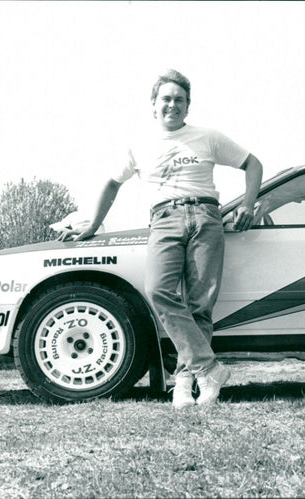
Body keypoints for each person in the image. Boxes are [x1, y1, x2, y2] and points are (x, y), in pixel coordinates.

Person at [60, 69, 263, 408]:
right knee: (158, 290)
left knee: (200, 303)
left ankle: (185, 383)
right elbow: (112, 184)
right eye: (166, 99)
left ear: (188, 106)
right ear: (153, 105)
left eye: (179, 100)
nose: (173, 105)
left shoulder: (208, 137)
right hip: (164, 219)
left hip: (206, 218)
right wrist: (93, 224)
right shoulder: (138, 145)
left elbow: (253, 164)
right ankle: (208, 368)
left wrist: (247, 204)